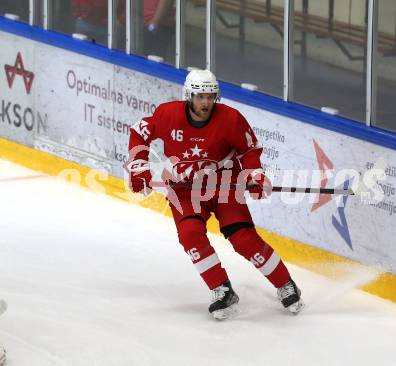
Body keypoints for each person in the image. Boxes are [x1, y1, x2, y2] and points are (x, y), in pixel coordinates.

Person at [127, 69, 304, 320]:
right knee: (190, 235)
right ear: (189, 95)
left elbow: (249, 150)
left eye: (210, 96)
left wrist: (254, 176)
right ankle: (221, 289)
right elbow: (138, 132)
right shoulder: (168, 114)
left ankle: (285, 283)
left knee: (243, 239)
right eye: (200, 97)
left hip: (224, 184)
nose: (206, 103)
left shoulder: (231, 119)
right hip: (185, 189)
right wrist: (138, 167)